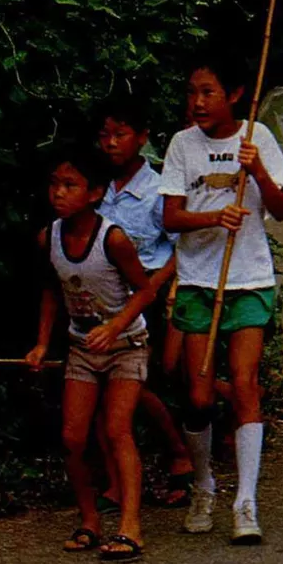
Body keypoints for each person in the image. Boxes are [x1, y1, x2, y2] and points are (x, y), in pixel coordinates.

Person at [159, 59, 283, 544]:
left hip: (249, 279)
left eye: (208, 92)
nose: (197, 102)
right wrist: (214, 218)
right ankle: (204, 485)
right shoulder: (182, 144)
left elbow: (281, 209)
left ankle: (246, 502)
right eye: (192, 92)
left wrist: (257, 172)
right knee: (198, 395)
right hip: (198, 281)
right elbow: (171, 217)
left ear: (234, 94)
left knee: (245, 383)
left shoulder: (258, 138)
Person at [24, 146, 162, 562]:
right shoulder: (49, 237)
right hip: (82, 346)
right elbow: (51, 291)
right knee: (72, 437)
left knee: (118, 429)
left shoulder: (112, 239)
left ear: (95, 193)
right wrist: (43, 343)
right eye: (54, 184)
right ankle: (89, 520)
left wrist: (114, 327)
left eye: (70, 185)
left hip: (125, 345)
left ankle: (130, 526)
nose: (58, 193)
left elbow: (145, 291)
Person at [94, 97, 194, 508]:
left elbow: (179, 248)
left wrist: (152, 288)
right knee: (105, 383)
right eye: (105, 135)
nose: (111, 143)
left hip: (144, 297)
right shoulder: (97, 187)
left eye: (120, 134)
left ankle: (178, 454)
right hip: (103, 298)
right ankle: (124, 477)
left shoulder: (157, 190)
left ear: (141, 138)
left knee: (132, 384)